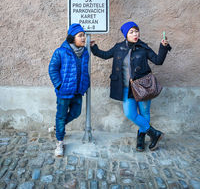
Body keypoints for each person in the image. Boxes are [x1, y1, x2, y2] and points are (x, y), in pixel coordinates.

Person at [90, 21, 171, 151]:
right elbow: (105, 55)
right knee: (130, 113)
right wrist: (94, 47)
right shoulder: (118, 47)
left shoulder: (143, 47)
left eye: (136, 31)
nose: (135, 34)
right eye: (131, 32)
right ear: (125, 34)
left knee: (144, 113)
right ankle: (154, 133)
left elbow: (158, 60)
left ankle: (141, 139)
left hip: (143, 86)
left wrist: (163, 47)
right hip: (127, 89)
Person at [49, 23, 90, 157]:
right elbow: (52, 69)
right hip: (64, 92)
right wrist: (59, 85)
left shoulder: (85, 53)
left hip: (78, 90)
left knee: (76, 113)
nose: (84, 38)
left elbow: (85, 71)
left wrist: (86, 83)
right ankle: (60, 142)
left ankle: (57, 127)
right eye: (80, 35)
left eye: (84, 35)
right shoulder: (60, 51)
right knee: (61, 116)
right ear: (72, 38)